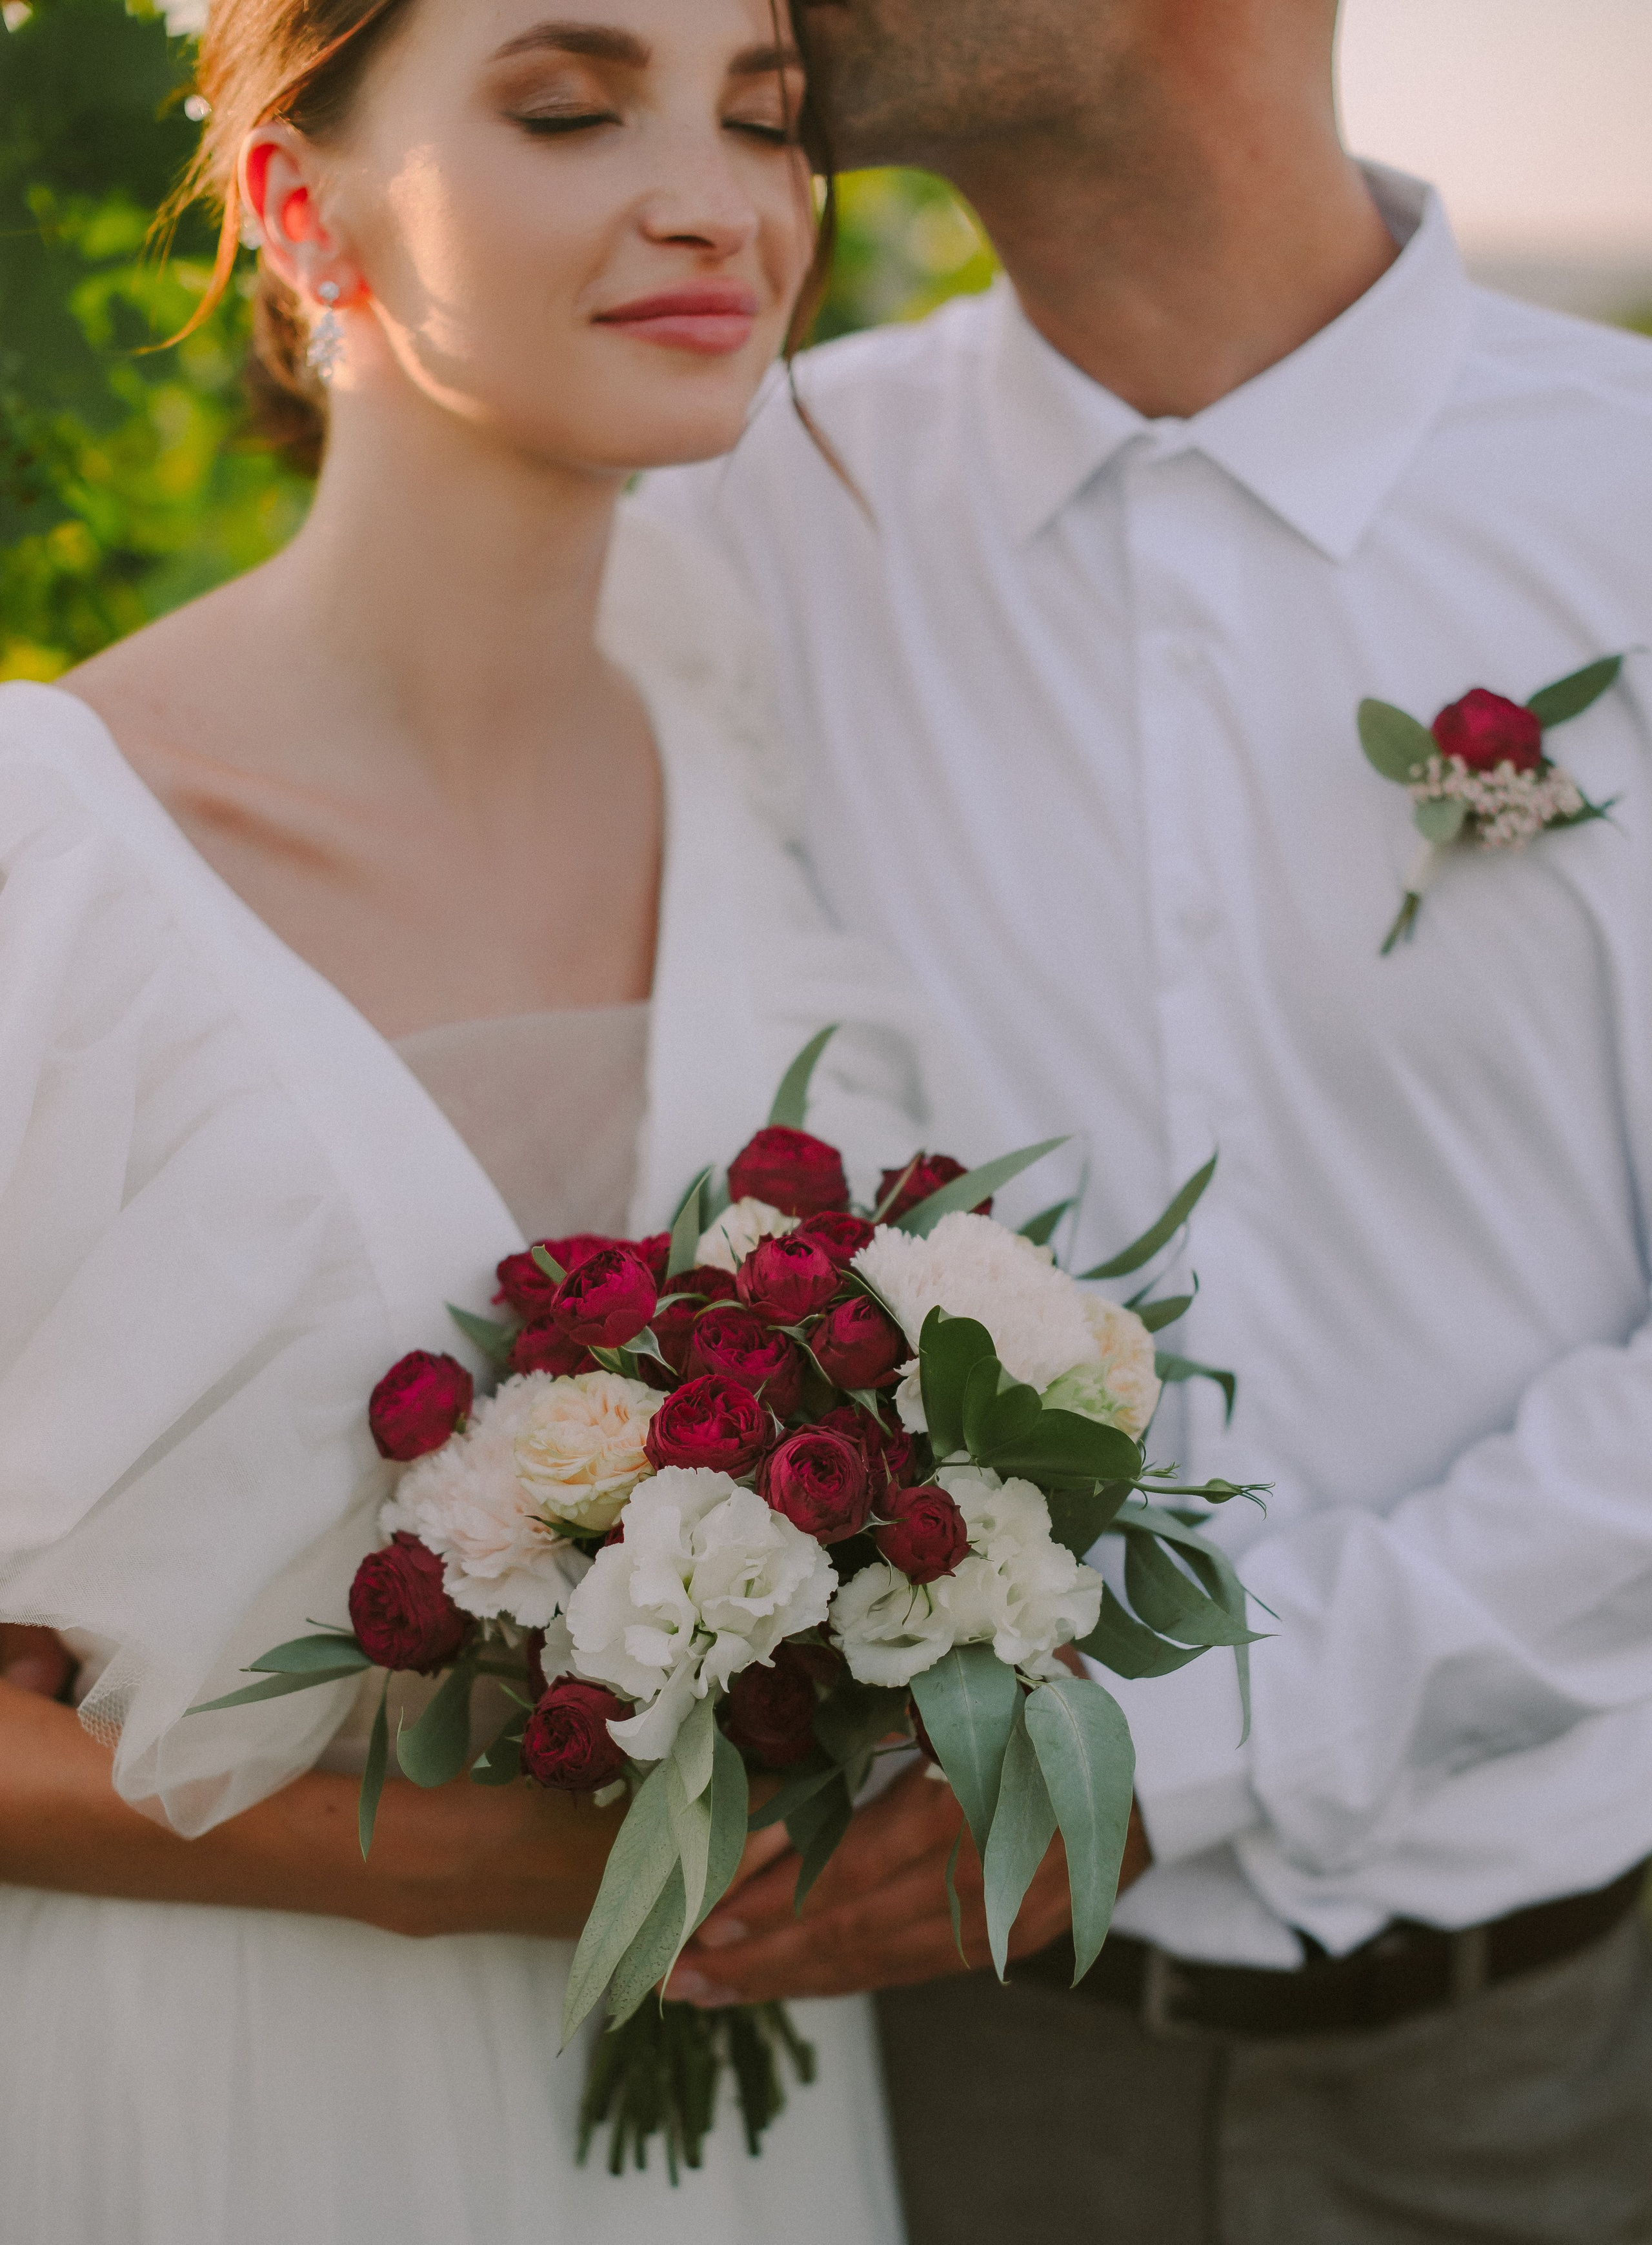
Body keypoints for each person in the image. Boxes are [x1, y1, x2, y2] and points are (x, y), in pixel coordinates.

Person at [640, 1, 1652, 2238]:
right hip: (928, 2079)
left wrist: (1194, 1746)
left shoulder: (1637, 500)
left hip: (1570, 2077)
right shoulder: (733, 519)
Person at [0, 3, 923, 2240]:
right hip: (231, 2104)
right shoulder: (52, 864)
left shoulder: (781, 805)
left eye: (769, 121)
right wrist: (423, 1868)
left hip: (752, 2110)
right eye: (571, 109)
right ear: (301, 210)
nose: (717, 197)